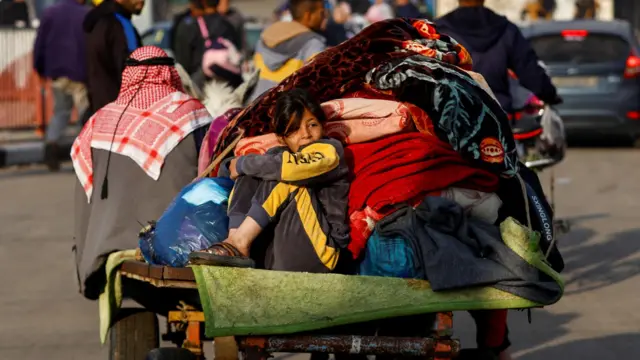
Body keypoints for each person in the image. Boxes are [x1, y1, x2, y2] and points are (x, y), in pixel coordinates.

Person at [72, 46, 213, 300]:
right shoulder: (194, 114)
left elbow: (85, 188)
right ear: (169, 74)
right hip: (181, 244)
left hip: (108, 244)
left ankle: (88, 263)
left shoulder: (98, 120)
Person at [190, 88, 350, 273]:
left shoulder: (330, 151)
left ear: (323, 126)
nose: (306, 134)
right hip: (278, 251)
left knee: (285, 175)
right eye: (294, 129)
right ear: (282, 138)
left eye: (312, 124)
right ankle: (234, 242)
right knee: (254, 172)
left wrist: (240, 163)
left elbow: (291, 167)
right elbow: (247, 168)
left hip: (320, 253)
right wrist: (232, 166)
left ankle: (240, 241)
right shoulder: (279, 154)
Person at [436, 0, 561, 116]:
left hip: (452, 117)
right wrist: (549, 95)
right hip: (496, 117)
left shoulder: (438, 31)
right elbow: (530, 72)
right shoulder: (505, 29)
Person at [33, 0, 89, 171]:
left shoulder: (50, 13)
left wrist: (39, 67)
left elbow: (40, 43)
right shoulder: (85, 14)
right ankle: (85, 151)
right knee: (84, 113)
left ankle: (51, 144)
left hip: (57, 72)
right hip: (80, 73)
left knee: (60, 112)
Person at [248, 0, 327, 102]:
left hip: (256, 106)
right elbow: (318, 82)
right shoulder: (313, 44)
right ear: (308, 15)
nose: (324, 17)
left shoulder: (265, 36)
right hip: (287, 109)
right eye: (322, 12)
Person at [83, 0, 144, 117]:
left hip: (99, 107)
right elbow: (132, 68)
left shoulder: (96, 21)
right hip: (121, 110)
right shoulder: (120, 23)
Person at [173, 0, 242, 89]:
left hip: (200, 83)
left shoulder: (190, 25)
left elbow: (183, 62)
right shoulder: (228, 24)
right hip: (228, 81)